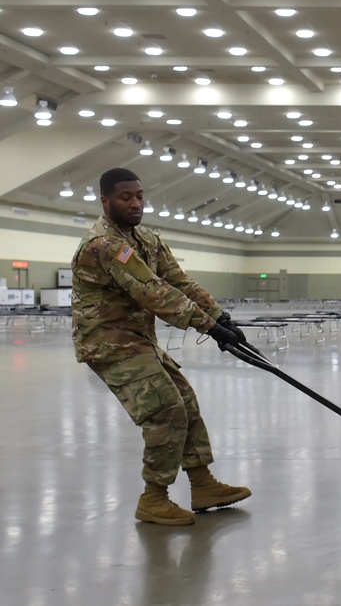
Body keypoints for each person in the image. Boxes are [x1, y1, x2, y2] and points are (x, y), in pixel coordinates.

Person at [72, 167, 251, 526]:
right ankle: (153, 498)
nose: (135, 203)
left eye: (139, 195)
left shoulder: (146, 239)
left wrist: (221, 316)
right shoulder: (106, 245)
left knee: (185, 400)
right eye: (126, 197)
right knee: (166, 411)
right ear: (105, 201)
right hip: (108, 344)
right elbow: (153, 292)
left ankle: (202, 485)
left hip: (138, 340)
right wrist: (208, 326)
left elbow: (178, 280)